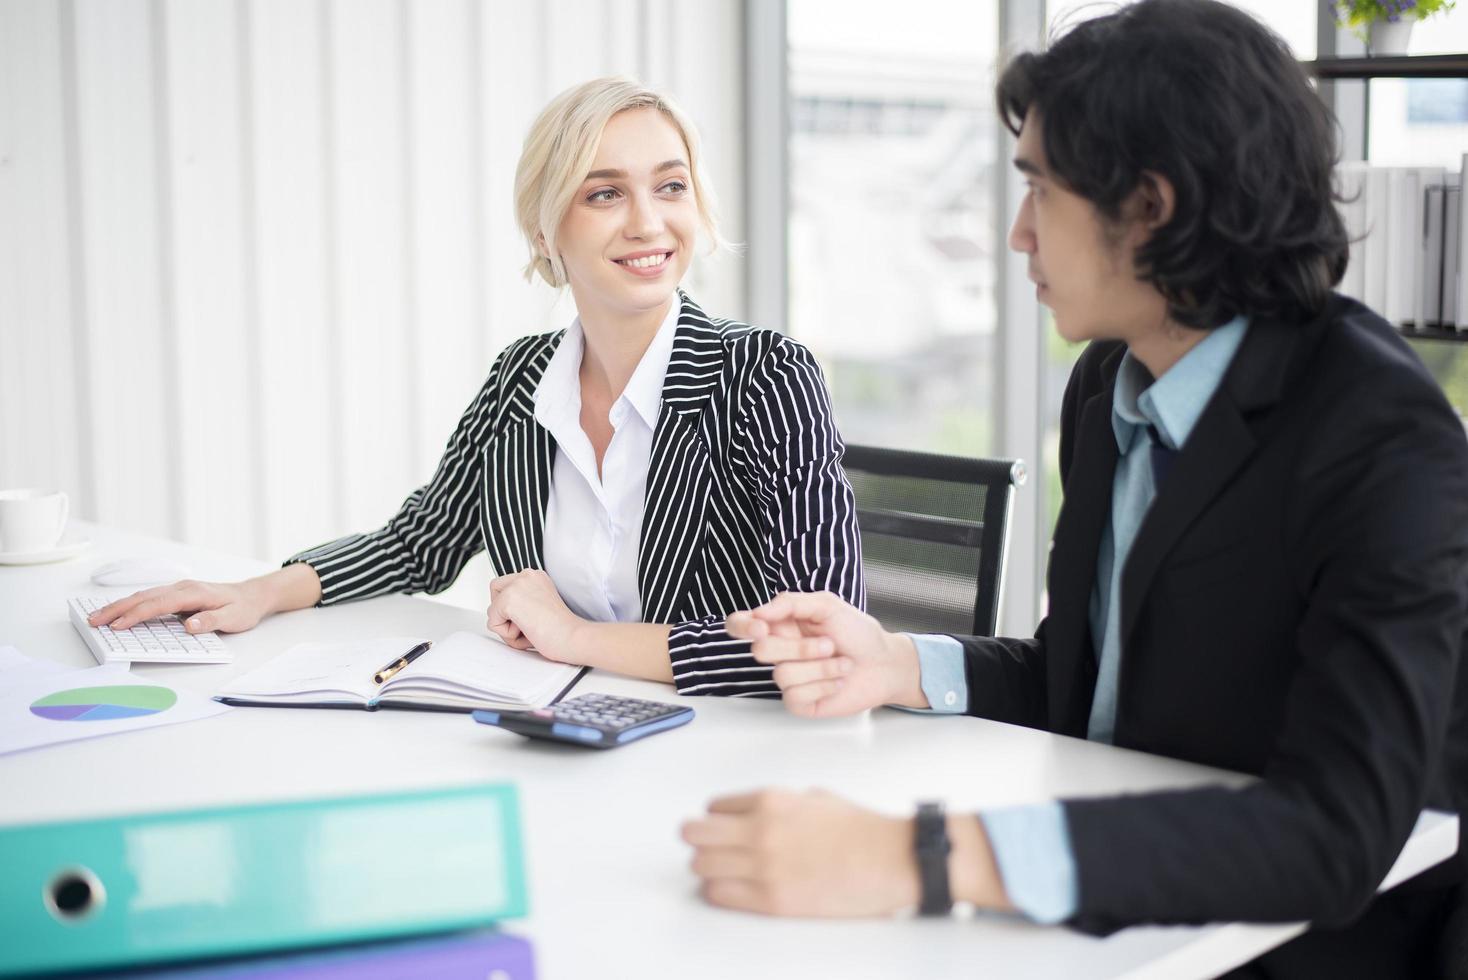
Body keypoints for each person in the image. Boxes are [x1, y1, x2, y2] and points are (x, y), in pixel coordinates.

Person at [681, 2, 1468, 975]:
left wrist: (915, 853)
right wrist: (894, 663)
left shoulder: (1382, 441)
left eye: (1038, 189)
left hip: (1300, 944)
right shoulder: (1109, 381)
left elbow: (1335, 831)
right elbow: (1084, 686)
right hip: (1120, 895)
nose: (1017, 234)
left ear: (1150, 206)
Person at [91, 77, 864, 697]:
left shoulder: (767, 374)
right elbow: (420, 544)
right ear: (543, 230)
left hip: (723, 750)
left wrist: (575, 640)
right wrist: (258, 593)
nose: (646, 222)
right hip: (556, 734)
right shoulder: (523, 377)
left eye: (670, 187)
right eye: (603, 194)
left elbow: (816, 639)